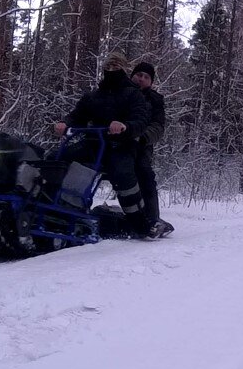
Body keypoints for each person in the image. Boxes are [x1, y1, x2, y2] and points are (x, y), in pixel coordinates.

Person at [55, 52, 154, 236]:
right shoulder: (93, 96)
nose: (112, 70)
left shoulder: (133, 95)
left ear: (123, 69)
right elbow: (78, 115)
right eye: (109, 66)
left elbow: (141, 120)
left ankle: (139, 220)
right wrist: (65, 123)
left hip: (120, 145)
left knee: (123, 173)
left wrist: (125, 126)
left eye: (116, 66)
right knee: (58, 158)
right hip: (93, 144)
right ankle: (56, 207)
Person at [131, 61, 174, 237]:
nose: (141, 79)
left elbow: (158, 126)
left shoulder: (155, 100)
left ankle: (152, 218)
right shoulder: (119, 93)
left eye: (146, 77)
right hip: (111, 143)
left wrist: (142, 137)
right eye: (139, 75)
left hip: (140, 147)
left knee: (145, 173)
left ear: (151, 81)